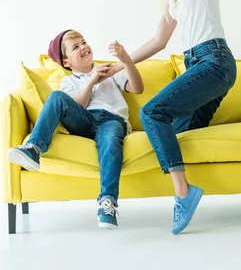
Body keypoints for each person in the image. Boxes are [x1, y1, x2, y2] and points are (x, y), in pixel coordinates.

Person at [110, 0, 237, 235]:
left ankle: (183, 193)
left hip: (214, 62)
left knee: (151, 114)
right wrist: (121, 62)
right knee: (179, 132)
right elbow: (159, 41)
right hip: (200, 65)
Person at [7, 29, 143, 229]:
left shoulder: (108, 70)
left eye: (84, 42)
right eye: (76, 47)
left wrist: (125, 60)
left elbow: (137, 88)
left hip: (111, 120)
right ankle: (34, 148)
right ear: (66, 62)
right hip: (84, 120)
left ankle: (108, 203)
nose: (84, 47)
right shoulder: (68, 82)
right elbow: (78, 105)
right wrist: (91, 81)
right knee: (56, 98)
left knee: (111, 142)